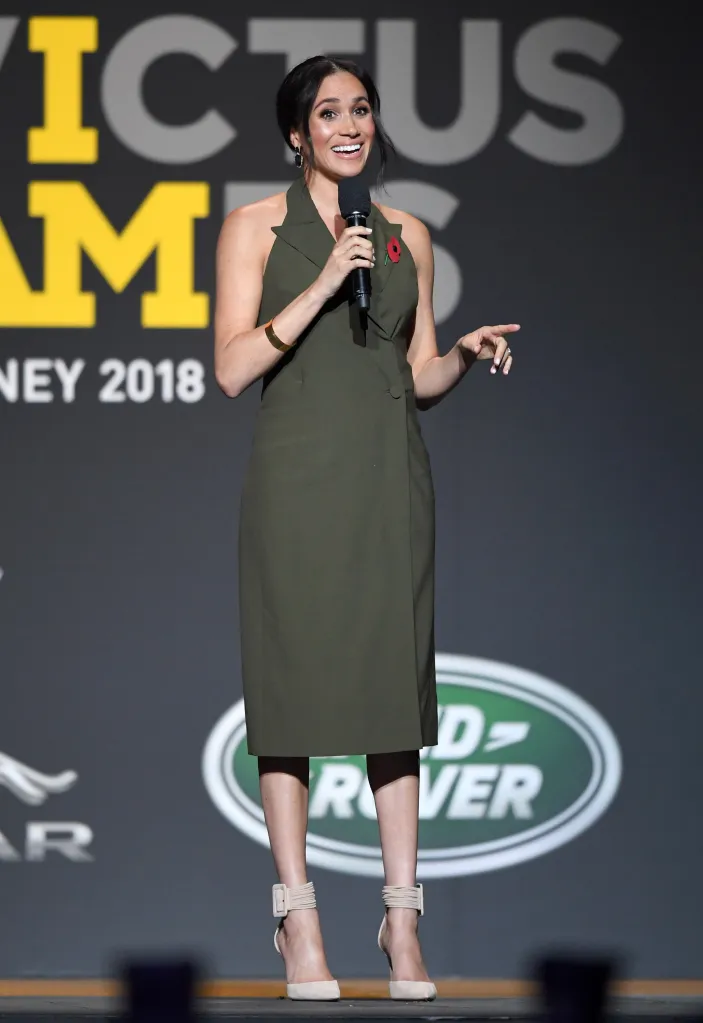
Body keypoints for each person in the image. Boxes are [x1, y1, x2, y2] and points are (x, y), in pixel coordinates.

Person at [214, 55, 519, 1001]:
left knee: (394, 703)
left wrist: (459, 354)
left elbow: (417, 374)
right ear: (297, 135)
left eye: (361, 109)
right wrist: (317, 286)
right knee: (290, 701)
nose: (349, 124)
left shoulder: (407, 235)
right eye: (328, 112)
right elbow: (228, 369)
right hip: (297, 486)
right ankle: (297, 922)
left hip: (389, 482)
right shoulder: (254, 229)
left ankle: (400, 921)